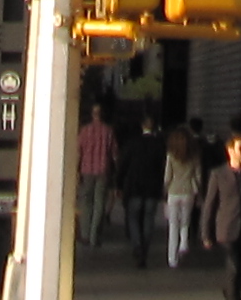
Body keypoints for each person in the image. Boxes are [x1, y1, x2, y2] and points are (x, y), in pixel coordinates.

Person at [199, 130, 241, 300]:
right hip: (226, 230)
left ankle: (229, 291)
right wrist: (206, 233)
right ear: (229, 151)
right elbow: (209, 205)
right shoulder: (218, 174)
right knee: (233, 268)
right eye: (240, 149)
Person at [119, 116, 169, 268]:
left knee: (133, 218)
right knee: (148, 219)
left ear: (142, 127)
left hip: (134, 187)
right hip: (152, 188)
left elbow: (123, 165)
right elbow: (163, 168)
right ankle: (144, 250)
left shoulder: (132, 144)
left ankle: (137, 245)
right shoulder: (160, 145)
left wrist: (118, 184)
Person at [161, 123, 204, 269]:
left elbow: (167, 177)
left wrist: (165, 191)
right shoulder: (194, 156)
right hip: (188, 192)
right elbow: (198, 176)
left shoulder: (171, 155)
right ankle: (184, 243)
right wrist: (199, 190)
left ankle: (172, 259)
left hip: (173, 191)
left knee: (173, 225)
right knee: (185, 222)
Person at [76, 101, 116, 248]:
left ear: (92, 114)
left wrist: (76, 170)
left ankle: (85, 234)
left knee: (86, 202)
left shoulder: (84, 131)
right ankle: (94, 235)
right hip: (103, 170)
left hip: (86, 170)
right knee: (99, 203)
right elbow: (114, 153)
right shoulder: (108, 131)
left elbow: (78, 152)